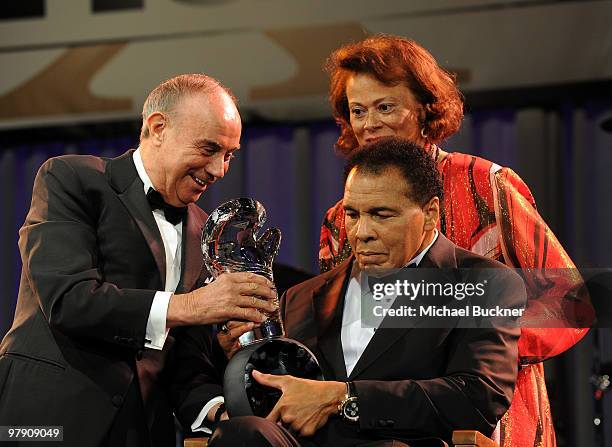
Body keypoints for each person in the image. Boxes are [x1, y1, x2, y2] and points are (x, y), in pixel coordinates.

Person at [318, 35, 590, 447]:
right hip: (378, 422)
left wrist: (481, 339)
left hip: (489, 418)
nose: (369, 124)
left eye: (385, 107)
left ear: (426, 108)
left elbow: (573, 302)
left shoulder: (487, 185)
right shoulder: (341, 218)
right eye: (358, 110)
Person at [0, 74, 278, 447]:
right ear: (158, 127)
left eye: (229, 155)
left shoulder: (202, 229)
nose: (219, 170)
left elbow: (184, 356)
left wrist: (219, 409)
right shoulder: (70, 178)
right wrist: (193, 305)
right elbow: (69, 300)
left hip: (142, 430)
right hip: (46, 420)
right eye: (209, 148)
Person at [209, 137, 524, 447]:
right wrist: (243, 358)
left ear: (430, 213)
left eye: (381, 214)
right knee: (241, 433)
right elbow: (280, 398)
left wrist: (343, 397)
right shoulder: (301, 298)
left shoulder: (481, 283)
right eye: (353, 214)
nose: (362, 233)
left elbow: (477, 399)